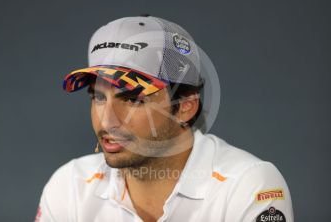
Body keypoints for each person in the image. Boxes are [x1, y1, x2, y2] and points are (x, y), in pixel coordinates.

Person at [35, 15, 294, 222]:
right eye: (99, 97)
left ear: (185, 108)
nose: (107, 120)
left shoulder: (248, 185)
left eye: (132, 99)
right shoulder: (69, 185)